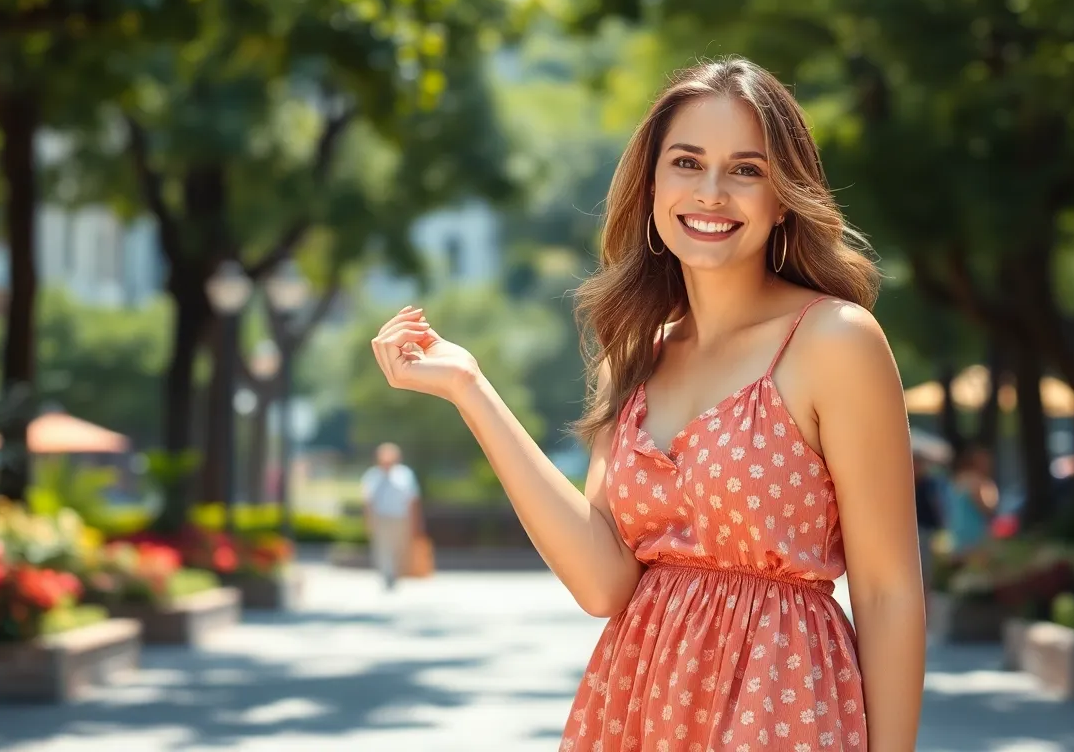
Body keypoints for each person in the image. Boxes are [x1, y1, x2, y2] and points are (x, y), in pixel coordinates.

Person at [369, 57, 924, 751]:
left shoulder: (833, 341)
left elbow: (888, 592)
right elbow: (603, 584)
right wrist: (471, 391)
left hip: (783, 711)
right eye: (686, 163)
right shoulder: (633, 357)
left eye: (746, 170)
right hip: (639, 707)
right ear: (653, 184)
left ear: (784, 196)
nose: (712, 192)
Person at [360, 442, 423, 591]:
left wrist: (416, 521)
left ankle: (395, 573)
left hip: (400, 518)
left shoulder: (404, 474)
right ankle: (387, 575)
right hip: (381, 518)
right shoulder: (372, 475)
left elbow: (413, 500)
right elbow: (367, 501)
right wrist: (368, 520)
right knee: (382, 548)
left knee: (399, 548)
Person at [946, 445, 999, 558]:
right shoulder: (978, 481)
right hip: (975, 534)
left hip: (958, 532)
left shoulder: (958, 479)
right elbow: (986, 508)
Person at [913, 451, 944, 594]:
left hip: (924, 530)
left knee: (924, 571)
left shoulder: (928, 483)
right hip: (910, 532)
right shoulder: (906, 482)